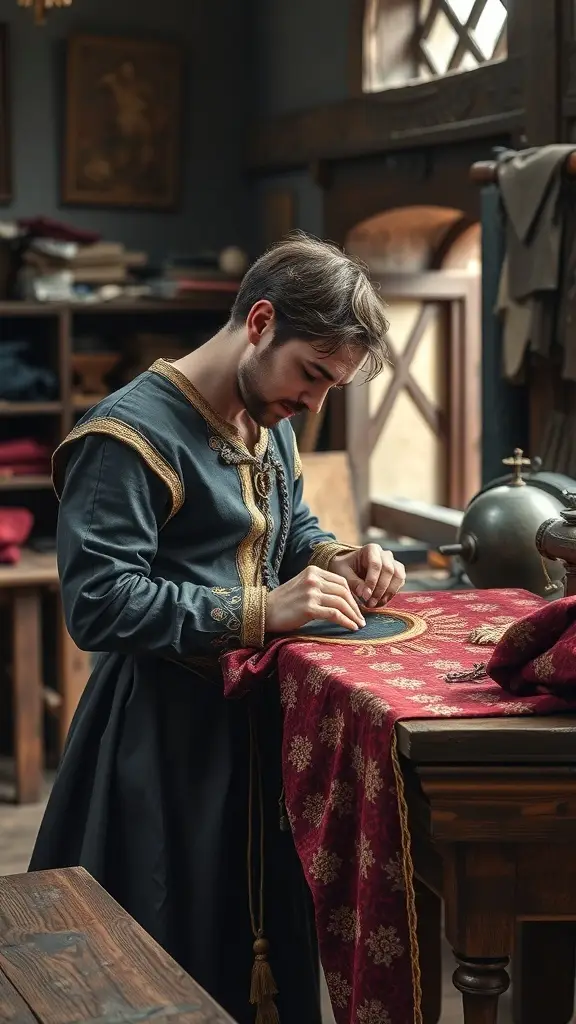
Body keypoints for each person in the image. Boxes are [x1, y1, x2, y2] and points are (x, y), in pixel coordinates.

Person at [29, 232, 406, 1024]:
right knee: (168, 958)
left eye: (330, 386)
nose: (313, 402)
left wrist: (340, 558)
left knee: (263, 950)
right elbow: (99, 604)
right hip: (163, 745)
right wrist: (260, 611)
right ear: (260, 321)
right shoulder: (124, 437)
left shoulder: (270, 418)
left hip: (260, 737)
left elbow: (289, 528)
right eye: (312, 374)